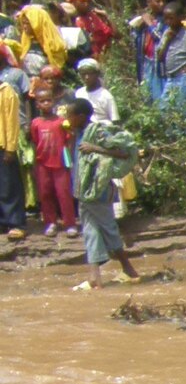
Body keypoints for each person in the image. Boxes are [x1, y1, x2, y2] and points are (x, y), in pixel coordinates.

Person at [72, 99, 140, 288]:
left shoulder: (98, 132)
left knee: (108, 230)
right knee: (90, 232)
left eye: (71, 116)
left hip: (98, 191)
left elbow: (123, 153)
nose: (68, 119)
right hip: (85, 193)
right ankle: (96, 279)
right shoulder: (79, 132)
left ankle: (128, 269)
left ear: (81, 117)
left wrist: (96, 148)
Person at [26, 84, 79, 237]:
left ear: (54, 102)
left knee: (64, 193)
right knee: (45, 193)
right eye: (42, 101)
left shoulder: (62, 121)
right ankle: (50, 222)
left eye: (49, 100)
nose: (46, 104)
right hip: (43, 163)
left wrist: (68, 160)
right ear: (37, 104)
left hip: (60, 163)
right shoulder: (35, 123)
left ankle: (70, 223)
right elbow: (36, 142)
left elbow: (70, 139)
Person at [0, 61, 25, 240]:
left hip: (3, 145)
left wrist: (10, 148)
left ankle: (15, 222)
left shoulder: (6, 91)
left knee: (9, 185)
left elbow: (11, 121)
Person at [128, 0, 168, 99]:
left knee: (160, 97)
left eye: (163, 1)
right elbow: (134, 41)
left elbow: (161, 39)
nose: (162, 4)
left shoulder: (166, 20)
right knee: (146, 96)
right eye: (158, 1)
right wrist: (137, 27)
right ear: (149, 2)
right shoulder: (144, 20)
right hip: (145, 62)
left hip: (159, 64)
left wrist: (150, 24)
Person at [67, 0, 117, 66]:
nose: (86, 4)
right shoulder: (70, 20)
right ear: (74, 2)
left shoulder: (96, 16)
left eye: (88, 1)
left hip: (104, 61)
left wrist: (107, 16)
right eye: (82, 1)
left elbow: (115, 34)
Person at [73, 58, 119, 124]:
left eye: (90, 73)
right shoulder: (79, 93)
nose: (87, 77)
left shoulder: (106, 96)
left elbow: (115, 120)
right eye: (83, 74)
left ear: (97, 74)